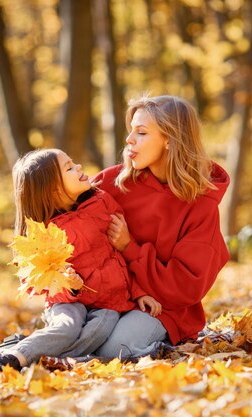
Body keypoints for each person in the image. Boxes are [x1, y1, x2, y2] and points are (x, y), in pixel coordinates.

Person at [0, 149, 161, 371]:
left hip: (107, 301)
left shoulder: (102, 204)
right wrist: (69, 287)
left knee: (101, 328)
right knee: (67, 328)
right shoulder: (44, 233)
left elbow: (118, 258)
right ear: (52, 189)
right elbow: (40, 282)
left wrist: (139, 291)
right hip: (67, 302)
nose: (79, 167)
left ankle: (28, 358)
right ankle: (13, 357)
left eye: (74, 162)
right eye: (69, 168)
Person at [91, 95, 231, 359]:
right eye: (131, 130)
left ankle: (161, 346)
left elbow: (185, 287)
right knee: (73, 333)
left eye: (141, 132)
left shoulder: (200, 204)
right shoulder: (112, 182)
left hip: (162, 309)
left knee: (114, 351)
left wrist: (129, 247)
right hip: (107, 295)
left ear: (170, 139)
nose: (129, 139)